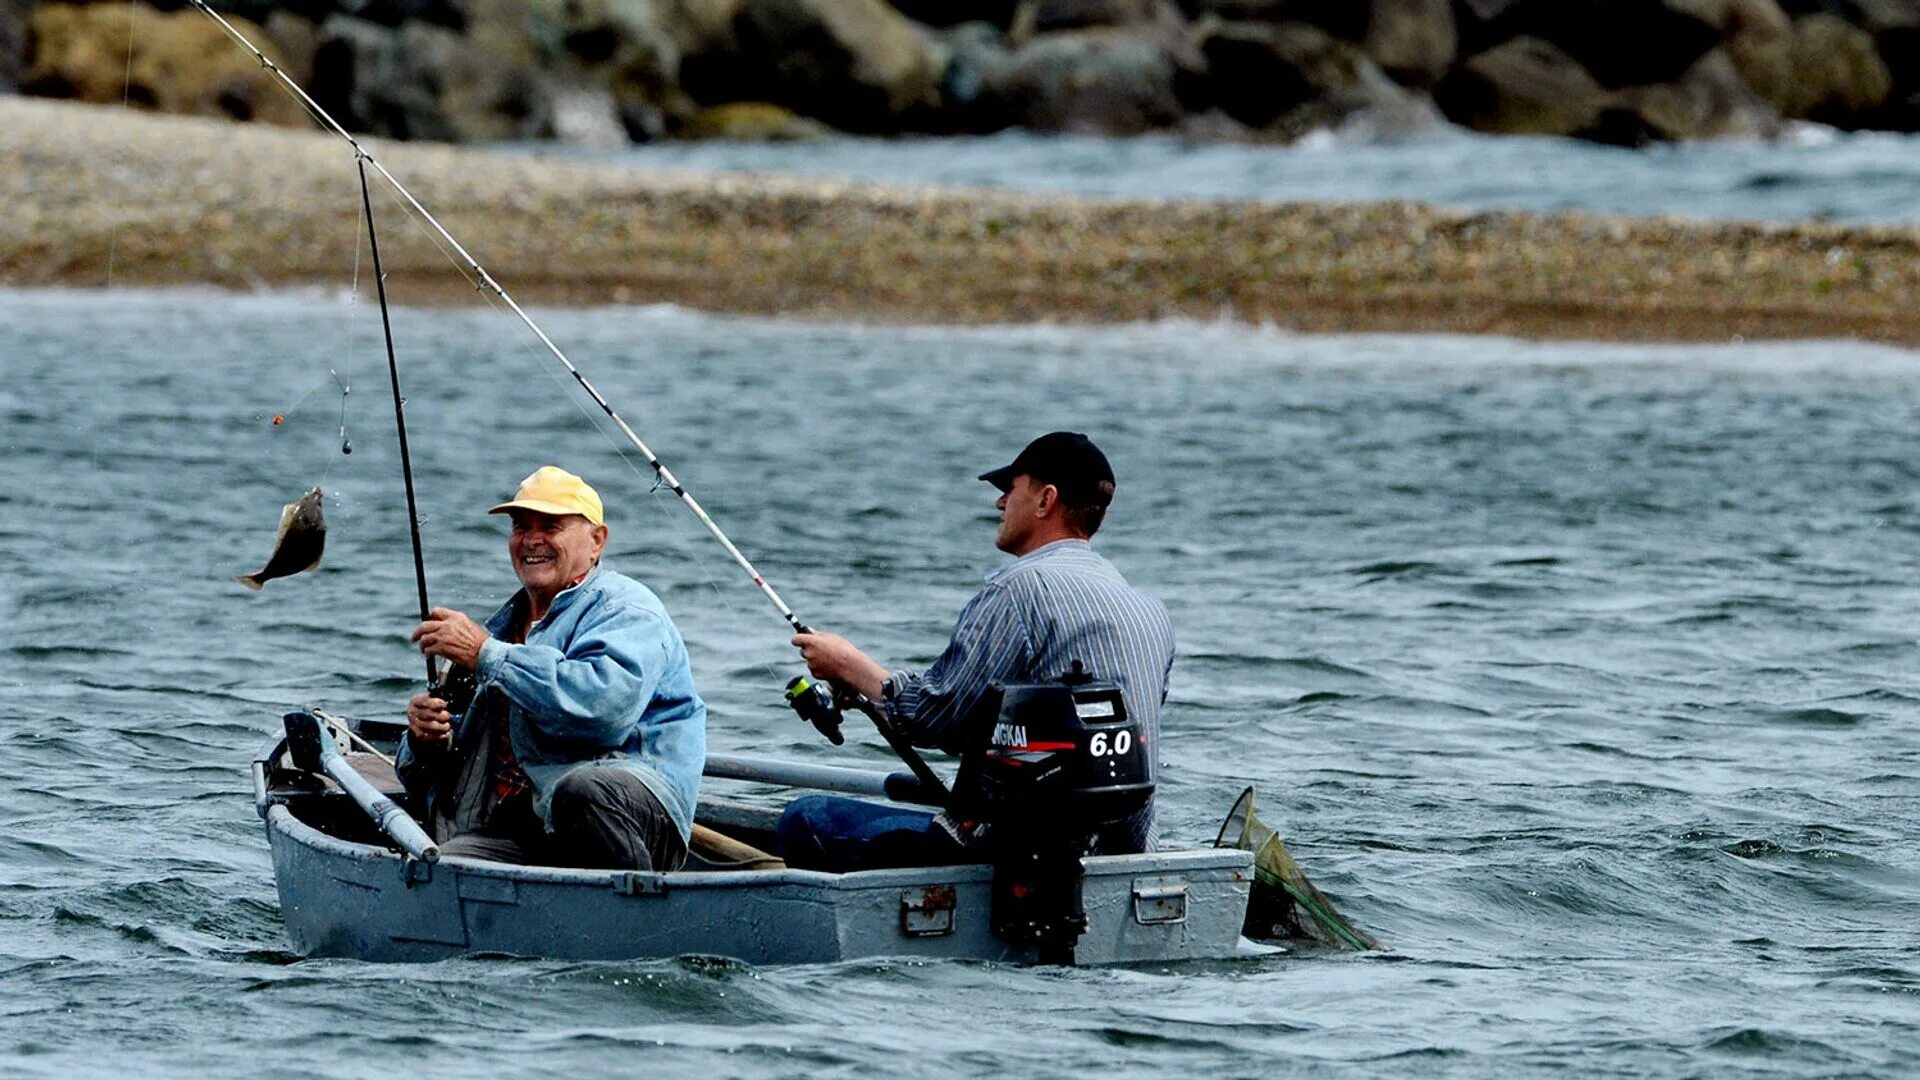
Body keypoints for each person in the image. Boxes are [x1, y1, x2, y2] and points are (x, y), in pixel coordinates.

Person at [782, 431, 1174, 871]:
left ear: (1045, 500)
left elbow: (936, 720)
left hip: (1009, 857)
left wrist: (850, 666)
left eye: (1010, 489)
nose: (1000, 503)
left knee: (806, 818)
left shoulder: (1019, 590)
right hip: (1127, 857)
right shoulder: (1148, 610)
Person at [395, 465, 706, 871]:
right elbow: (426, 778)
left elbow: (600, 712)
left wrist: (487, 654)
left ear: (597, 541)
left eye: (551, 526)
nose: (532, 540)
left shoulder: (627, 609)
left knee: (581, 791)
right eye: (521, 526)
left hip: (633, 813)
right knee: (439, 869)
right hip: (528, 826)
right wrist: (425, 740)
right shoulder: (499, 631)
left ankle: (640, 913)